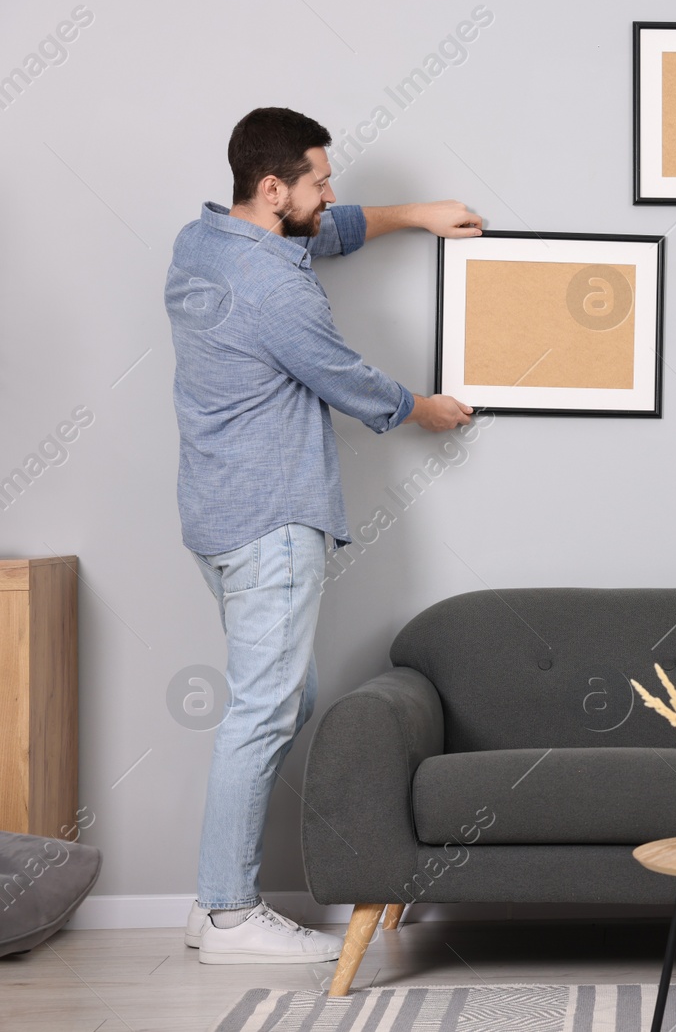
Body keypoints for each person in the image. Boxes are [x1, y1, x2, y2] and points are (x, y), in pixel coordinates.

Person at [165, 107, 482, 964]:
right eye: (317, 179)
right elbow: (341, 375)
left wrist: (416, 216)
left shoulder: (204, 244)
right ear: (274, 189)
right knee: (264, 712)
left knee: (279, 700)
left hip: (217, 517)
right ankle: (227, 912)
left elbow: (323, 233)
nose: (331, 193)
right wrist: (426, 407)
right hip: (272, 522)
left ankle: (215, 909)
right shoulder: (275, 289)